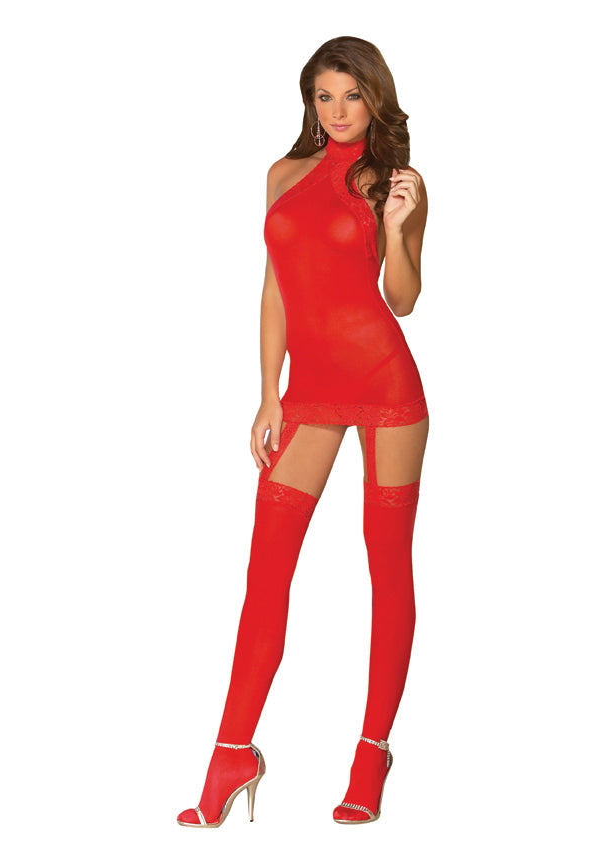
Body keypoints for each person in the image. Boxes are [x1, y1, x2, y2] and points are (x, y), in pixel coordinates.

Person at [177, 34, 429, 828]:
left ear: (374, 99)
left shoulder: (396, 182)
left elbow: (403, 299)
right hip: (310, 393)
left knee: (386, 569)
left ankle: (371, 755)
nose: (339, 109)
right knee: (266, 573)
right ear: (310, 103)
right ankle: (230, 754)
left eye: (352, 95)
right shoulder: (282, 176)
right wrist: (268, 394)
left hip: (386, 384)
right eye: (325, 96)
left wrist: (397, 229)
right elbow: (275, 291)